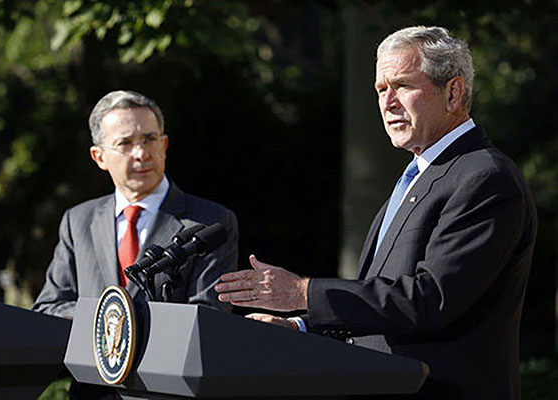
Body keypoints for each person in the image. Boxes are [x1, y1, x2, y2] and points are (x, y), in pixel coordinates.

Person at [215, 26, 537, 399]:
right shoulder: (418, 178)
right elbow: (382, 307)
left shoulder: (484, 177)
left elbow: (429, 300)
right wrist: (302, 328)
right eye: (381, 90)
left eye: (401, 85)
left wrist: (304, 293)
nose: (388, 102)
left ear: (453, 93)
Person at [33, 90, 238, 317]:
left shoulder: (210, 222)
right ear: (99, 157)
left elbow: (208, 315)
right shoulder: (78, 221)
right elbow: (49, 308)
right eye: (125, 143)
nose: (141, 153)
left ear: (164, 145)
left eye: (149, 139)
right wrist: (110, 322)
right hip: (93, 352)